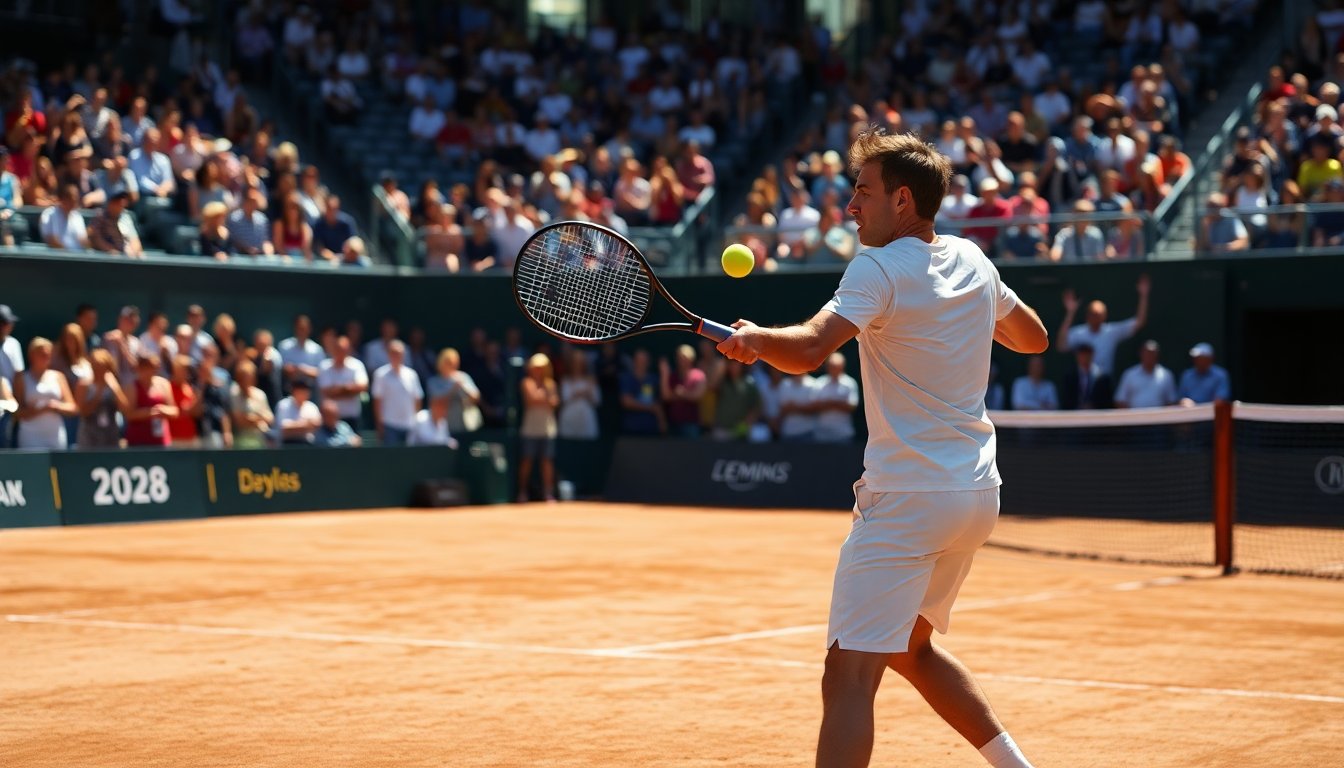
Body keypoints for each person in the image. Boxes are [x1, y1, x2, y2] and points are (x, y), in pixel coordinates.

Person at [714, 129, 1047, 768]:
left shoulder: (877, 267)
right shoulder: (973, 260)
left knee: (847, 677)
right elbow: (1032, 338)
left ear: (902, 200)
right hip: (976, 497)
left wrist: (756, 339)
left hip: (909, 501)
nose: (850, 206)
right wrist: (963, 315)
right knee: (910, 650)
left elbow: (811, 347)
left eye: (862, 192)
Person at [1055, 274, 1150, 378]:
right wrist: (1070, 312)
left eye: (1099, 315)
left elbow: (1139, 322)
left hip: (1104, 383)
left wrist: (1143, 295)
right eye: (1093, 314)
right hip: (1083, 384)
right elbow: (1061, 346)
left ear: (1104, 316)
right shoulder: (1079, 333)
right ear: (1087, 316)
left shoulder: (1112, 332)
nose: (1096, 318)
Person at [14, 337, 77, 449]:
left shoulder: (58, 377)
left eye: (48, 354)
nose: (46, 357)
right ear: (32, 355)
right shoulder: (22, 379)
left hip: (55, 436)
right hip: (30, 436)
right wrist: (41, 409)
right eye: (42, 354)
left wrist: (56, 406)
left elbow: (72, 407)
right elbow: (17, 413)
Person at [517, 353, 560, 502]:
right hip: (530, 428)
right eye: (536, 367)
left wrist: (543, 398)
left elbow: (554, 403)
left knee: (547, 461)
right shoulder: (526, 382)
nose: (539, 370)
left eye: (542, 368)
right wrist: (546, 399)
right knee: (527, 460)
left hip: (547, 428)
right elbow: (532, 399)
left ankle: (548, 493)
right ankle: (522, 492)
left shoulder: (551, 384)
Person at [371, 340, 422, 446]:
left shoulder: (412, 375)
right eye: (393, 353)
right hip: (389, 425)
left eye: (398, 353)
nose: (396, 356)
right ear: (388, 354)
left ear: (403, 355)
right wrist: (380, 425)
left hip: (410, 425)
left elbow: (417, 398)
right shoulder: (380, 375)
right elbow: (377, 401)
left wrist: (416, 422)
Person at [75, 348, 129, 449]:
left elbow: (126, 409)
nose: (98, 371)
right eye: (95, 367)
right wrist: (98, 393)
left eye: (101, 367)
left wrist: (115, 389)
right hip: (89, 437)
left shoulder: (114, 384)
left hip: (110, 436)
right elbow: (82, 412)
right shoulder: (84, 385)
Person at [427, 347, 483, 436]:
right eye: (448, 362)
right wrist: (453, 389)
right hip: (443, 428)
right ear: (441, 363)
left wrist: (464, 387)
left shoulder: (463, 377)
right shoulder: (433, 381)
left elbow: (476, 398)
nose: (452, 365)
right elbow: (437, 402)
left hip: (465, 426)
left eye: (454, 362)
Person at [124, 353, 176, 447]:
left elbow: (174, 411)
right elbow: (129, 415)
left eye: (152, 367)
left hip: (160, 440)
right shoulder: (131, 387)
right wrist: (150, 412)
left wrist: (162, 410)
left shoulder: (164, 384)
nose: (149, 371)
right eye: (145, 368)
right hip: (138, 441)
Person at [317, 335, 368, 431]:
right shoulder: (324, 366)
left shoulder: (357, 365)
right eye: (339, 349)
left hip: (352, 418)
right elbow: (327, 392)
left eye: (344, 350)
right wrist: (349, 390)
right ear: (334, 350)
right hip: (330, 419)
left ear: (349, 350)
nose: (341, 353)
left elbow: (362, 387)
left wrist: (338, 390)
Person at [660, 344, 706, 437]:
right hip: (673, 424)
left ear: (691, 359)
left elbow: (698, 396)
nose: (681, 360)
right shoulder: (673, 376)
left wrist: (682, 394)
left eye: (684, 357)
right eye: (679, 357)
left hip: (690, 425)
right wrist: (664, 374)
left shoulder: (698, 375)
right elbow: (666, 396)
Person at [1114, 340, 1178, 408]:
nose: (1149, 356)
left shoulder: (1166, 375)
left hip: (1159, 417)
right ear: (1141, 354)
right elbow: (1120, 400)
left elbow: (1171, 401)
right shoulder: (1130, 374)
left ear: (1157, 354)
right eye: (1147, 353)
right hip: (1134, 417)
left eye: (1152, 353)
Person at [813, 352, 860, 442]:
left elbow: (852, 406)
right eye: (831, 366)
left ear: (842, 367)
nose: (834, 369)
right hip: (821, 435)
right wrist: (837, 403)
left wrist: (829, 403)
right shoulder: (819, 383)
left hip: (843, 434)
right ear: (828, 367)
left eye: (836, 367)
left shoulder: (850, 383)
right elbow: (814, 406)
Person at [558, 347, 600, 439]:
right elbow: (564, 398)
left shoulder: (591, 380)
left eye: (581, 361)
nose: (578, 364)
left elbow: (597, 400)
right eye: (575, 361)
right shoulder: (565, 380)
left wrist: (578, 393)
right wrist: (583, 392)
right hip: (569, 419)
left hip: (586, 420)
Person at [1059, 343, 1114, 410]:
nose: (1085, 357)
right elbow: (1066, 401)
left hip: (1097, 415)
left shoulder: (1103, 377)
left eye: (1087, 354)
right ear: (1077, 356)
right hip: (1075, 415)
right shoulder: (1069, 377)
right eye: (1082, 354)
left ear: (1092, 355)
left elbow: (1107, 402)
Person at [166, 355, 201, 448]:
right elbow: (183, 411)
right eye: (184, 369)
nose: (187, 373)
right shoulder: (168, 387)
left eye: (187, 370)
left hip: (190, 438)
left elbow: (196, 413)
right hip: (174, 440)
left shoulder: (188, 387)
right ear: (175, 369)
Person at [276, 377, 322, 445]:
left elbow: (317, 425)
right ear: (293, 391)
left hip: (309, 445)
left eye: (305, 390)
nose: (303, 393)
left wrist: (295, 426)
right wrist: (306, 424)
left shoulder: (312, 407)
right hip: (287, 444)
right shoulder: (284, 405)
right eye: (300, 390)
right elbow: (284, 428)